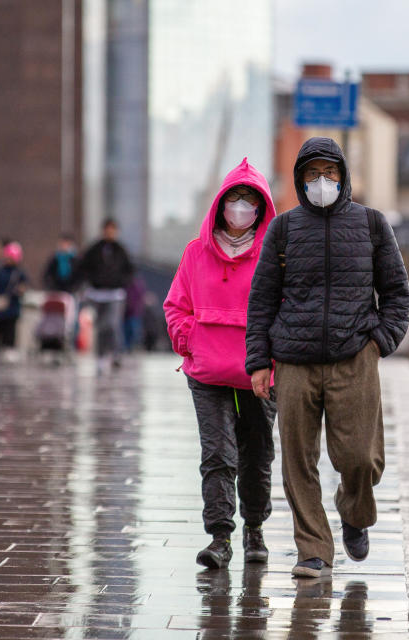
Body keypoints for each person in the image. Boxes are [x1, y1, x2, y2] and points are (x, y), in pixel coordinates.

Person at [245, 137, 409, 579]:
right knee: (298, 460)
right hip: (294, 361)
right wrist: (259, 361)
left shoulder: (373, 225)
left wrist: (379, 342)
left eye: (330, 173)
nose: (323, 181)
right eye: (313, 173)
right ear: (301, 179)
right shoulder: (283, 230)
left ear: (344, 176)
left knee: (360, 457)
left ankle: (354, 512)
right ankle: (314, 550)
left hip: (354, 355)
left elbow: (396, 294)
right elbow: (261, 300)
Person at [164, 158, 279, 570]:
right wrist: (191, 341)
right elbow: (176, 305)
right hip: (208, 374)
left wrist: (272, 356)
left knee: (257, 453)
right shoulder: (196, 253)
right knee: (217, 454)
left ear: (262, 208)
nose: (240, 207)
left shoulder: (273, 256)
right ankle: (220, 537)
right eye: (234, 199)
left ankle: (254, 529)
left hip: (259, 375)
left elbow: (285, 309)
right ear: (219, 205)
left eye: (249, 200)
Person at [76, 219, 133, 372]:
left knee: (112, 324)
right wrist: (90, 282)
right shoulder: (94, 249)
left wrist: (121, 282)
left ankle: (115, 353)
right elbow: (82, 267)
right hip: (97, 294)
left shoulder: (121, 250)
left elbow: (130, 271)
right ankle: (101, 356)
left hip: (115, 294)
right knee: (101, 326)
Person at [0, 241, 28, 356]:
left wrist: (21, 290)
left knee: (9, 337)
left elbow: (25, 287)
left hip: (12, 309)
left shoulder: (20, 273)